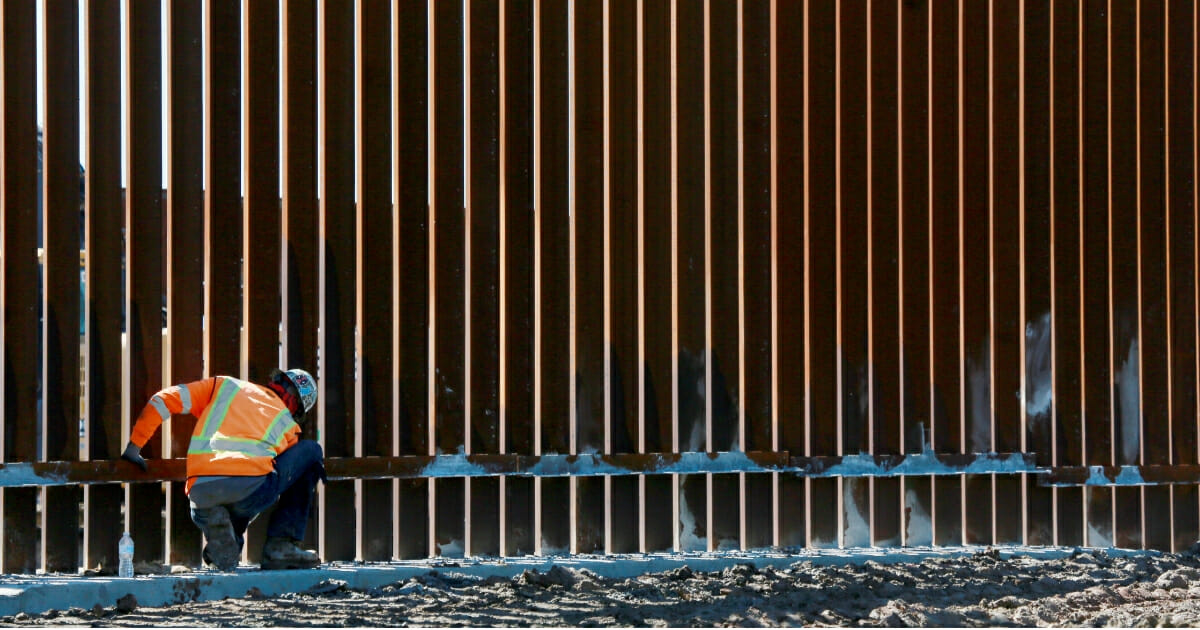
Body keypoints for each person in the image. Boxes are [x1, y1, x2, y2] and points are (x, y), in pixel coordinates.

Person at [120, 368, 325, 571]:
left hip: (200, 493)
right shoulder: (289, 425)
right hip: (248, 492)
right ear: (298, 409)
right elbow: (279, 475)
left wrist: (134, 446)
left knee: (239, 488)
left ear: (276, 380)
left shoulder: (224, 386)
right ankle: (281, 545)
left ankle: (228, 541)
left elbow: (161, 399)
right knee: (310, 453)